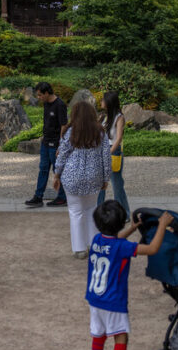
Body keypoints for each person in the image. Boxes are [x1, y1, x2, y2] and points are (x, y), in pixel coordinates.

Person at [86, 200, 174, 350]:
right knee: (121, 337)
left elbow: (115, 242)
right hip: (113, 301)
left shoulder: (97, 240)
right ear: (119, 223)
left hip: (94, 299)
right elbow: (152, 249)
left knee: (98, 334)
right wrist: (162, 225)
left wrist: (132, 228)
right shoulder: (121, 247)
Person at [53, 101, 111, 259]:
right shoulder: (100, 132)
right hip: (94, 177)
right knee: (92, 209)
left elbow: (63, 155)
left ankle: (79, 249)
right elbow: (106, 156)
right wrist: (106, 178)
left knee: (75, 211)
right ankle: (94, 244)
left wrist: (56, 174)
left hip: (72, 176)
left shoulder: (70, 132)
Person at [25, 82, 67, 208]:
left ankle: (62, 197)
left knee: (57, 170)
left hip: (55, 143)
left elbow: (64, 125)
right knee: (43, 169)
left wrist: (61, 145)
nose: (39, 98)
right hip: (45, 142)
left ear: (47, 93)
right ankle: (38, 196)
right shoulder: (45, 104)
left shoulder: (60, 105)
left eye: (40, 95)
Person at [96, 91, 129, 214]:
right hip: (102, 149)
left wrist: (110, 151)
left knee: (116, 184)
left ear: (109, 102)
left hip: (113, 150)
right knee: (100, 183)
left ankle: (123, 212)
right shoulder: (103, 116)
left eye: (103, 100)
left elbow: (119, 138)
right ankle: (98, 210)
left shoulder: (119, 117)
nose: (101, 102)